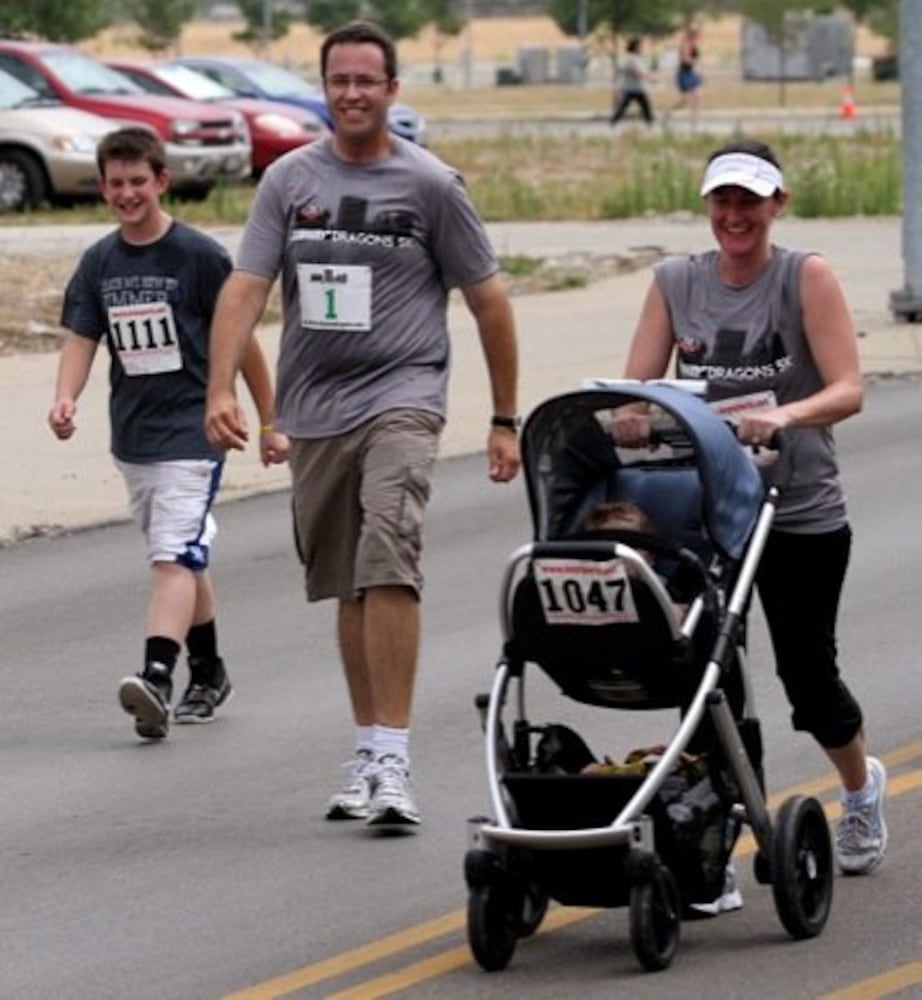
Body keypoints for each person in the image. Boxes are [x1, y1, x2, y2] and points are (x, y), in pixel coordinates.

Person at [204, 20, 520, 830]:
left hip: (404, 396)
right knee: (348, 579)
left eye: (366, 81)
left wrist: (504, 418)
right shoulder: (287, 182)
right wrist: (221, 391)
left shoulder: (430, 186)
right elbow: (245, 287)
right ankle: (367, 747)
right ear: (324, 87)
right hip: (316, 406)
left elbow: (489, 303)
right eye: (338, 80)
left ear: (392, 90)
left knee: (390, 555)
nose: (351, 94)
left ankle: (396, 757)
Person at [613, 138, 887, 879]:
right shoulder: (675, 281)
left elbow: (849, 388)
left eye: (750, 201)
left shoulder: (805, 276)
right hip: (705, 512)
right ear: (707, 206)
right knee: (705, 674)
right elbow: (636, 388)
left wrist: (788, 417)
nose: (735, 216)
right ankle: (720, 833)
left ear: (777, 205)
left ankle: (860, 789)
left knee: (807, 674)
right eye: (722, 201)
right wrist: (634, 413)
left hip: (796, 506)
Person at [48, 126, 289, 742]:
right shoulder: (100, 261)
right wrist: (65, 397)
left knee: (170, 556)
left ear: (161, 180)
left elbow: (244, 345)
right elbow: (83, 336)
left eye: (138, 182)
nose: (127, 194)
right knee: (182, 554)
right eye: (115, 184)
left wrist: (269, 420)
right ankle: (209, 671)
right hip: (134, 436)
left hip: (195, 429)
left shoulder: (200, 256)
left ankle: (158, 674)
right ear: (102, 187)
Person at [610, 36, 656, 128]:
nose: (641, 48)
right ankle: (613, 122)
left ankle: (649, 123)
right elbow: (633, 71)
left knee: (644, 106)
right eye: (640, 46)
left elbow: (643, 70)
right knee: (629, 106)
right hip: (631, 87)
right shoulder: (630, 58)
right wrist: (647, 77)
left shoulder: (637, 58)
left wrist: (649, 75)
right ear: (635, 46)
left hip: (637, 87)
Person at [672, 22, 703, 122]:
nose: (698, 34)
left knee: (697, 95)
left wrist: (696, 65)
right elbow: (684, 59)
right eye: (696, 33)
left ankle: (694, 118)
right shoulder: (686, 44)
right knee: (684, 101)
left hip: (691, 72)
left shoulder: (693, 43)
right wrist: (695, 61)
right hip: (684, 73)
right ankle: (668, 114)